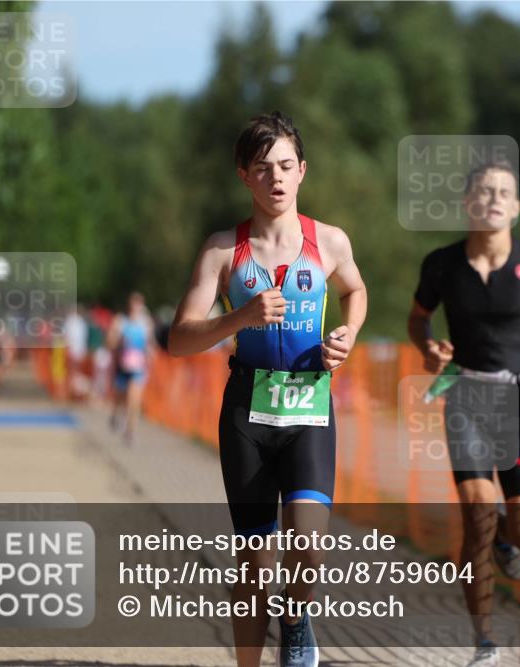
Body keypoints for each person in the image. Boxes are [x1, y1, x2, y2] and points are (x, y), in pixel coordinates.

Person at [168, 111, 367, 667]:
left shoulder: (327, 242)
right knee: (255, 566)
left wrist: (347, 335)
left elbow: (356, 290)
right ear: (244, 177)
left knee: (308, 549)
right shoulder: (220, 250)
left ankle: (297, 617)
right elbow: (179, 340)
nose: (276, 178)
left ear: (302, 171)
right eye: (263, 168)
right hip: (247, 416)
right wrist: (240, 318)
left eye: (285, 165)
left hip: (309, 407)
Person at [407, 159, 520, 666]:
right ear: (468, 204)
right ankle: (485, 642)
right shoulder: (441, 265)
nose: (494, 199)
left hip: (518, 401)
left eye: (504, 192)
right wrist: (428, 348)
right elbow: (418, 319)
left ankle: (509, 533)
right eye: (484, 192)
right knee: (477, 516)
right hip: (465, 397)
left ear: (517, 207)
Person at [107, 293, 155, 444]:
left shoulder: (146, 323)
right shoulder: (120, 321)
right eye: (133, 304)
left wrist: (150, 353)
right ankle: (116, 415)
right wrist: (119, 341)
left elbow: (150, 343)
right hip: (122, 366)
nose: (135, 307)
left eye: (138, 304)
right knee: (120, 398)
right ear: (129, 305)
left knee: (134, 399)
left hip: (138, 367)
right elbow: (110, 342)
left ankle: (130, 431)